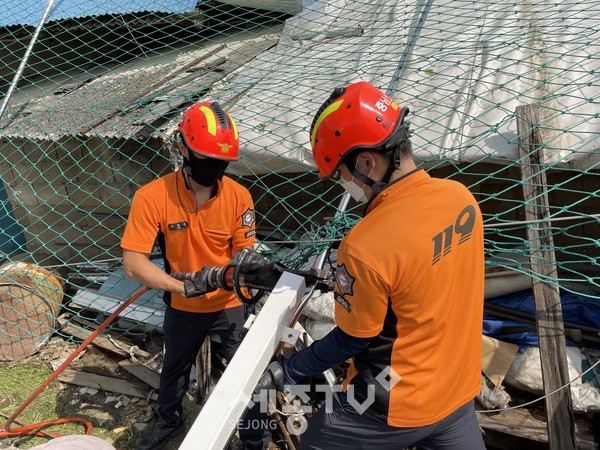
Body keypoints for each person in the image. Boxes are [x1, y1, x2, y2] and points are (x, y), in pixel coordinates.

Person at [258, 81, 486, 449]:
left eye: (341, 174)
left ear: (367, 162)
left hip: (392, 404)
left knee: (317, 440)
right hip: (458, 393)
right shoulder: (461, 199)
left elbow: (356, 336)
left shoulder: (365, 244)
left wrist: (289, 370)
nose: (344, 183)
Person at [120, 101, 270, 450]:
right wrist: (182, 287)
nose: (213, 168)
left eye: (221, 162)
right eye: (204, 158)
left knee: (249, 373)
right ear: (183, 147)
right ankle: (169, 422)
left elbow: (242, 254)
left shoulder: (238, 196)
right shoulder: (152, 196)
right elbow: (133, 263)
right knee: (173, 369)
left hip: (230, 303)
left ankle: (254, 436)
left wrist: (246, 270)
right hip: (183, 304)